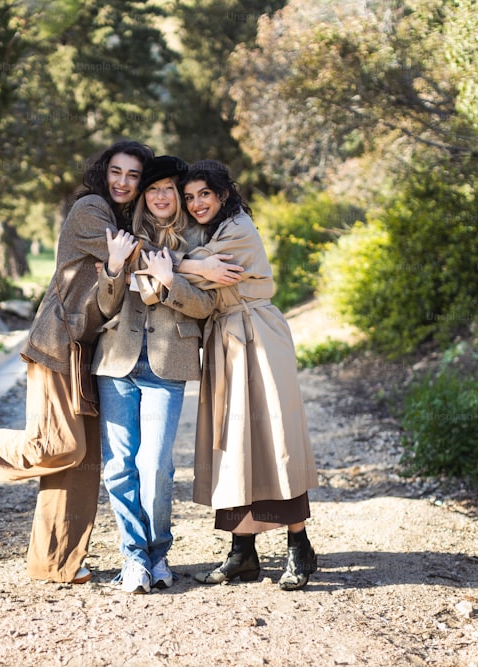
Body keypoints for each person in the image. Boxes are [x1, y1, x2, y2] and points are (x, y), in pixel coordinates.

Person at [0, 140, 154, 584]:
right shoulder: (91, 210)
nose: (123, 182)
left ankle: (56, 562)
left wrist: (120, 269)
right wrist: (195, 264)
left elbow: (112, 290)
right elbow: (137, 258)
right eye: (117, 171)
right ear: (104, 172)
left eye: (134, 176)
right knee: (59, 446)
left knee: (83, 463)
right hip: (57, 345)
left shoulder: (121, 220)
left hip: (90, 352)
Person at [140, 159, 320, 590]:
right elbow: (181, 267)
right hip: (224, 339)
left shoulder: (238, 228)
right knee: (231, 443)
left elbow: (168, 264)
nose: (196, 203)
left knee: (276, 438)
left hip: (258, 336)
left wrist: (185, 266)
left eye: (205, 194)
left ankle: (300, 547)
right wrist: (196, 268)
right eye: (189, 197)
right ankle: (243, 553)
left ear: (222, 195)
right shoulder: (206, 233)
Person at [93, 156, 215, 594]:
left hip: (168, 363)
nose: (161, 196)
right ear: (144, 196)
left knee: (156, 464)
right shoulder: (124, 236)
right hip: (117, 362)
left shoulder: (201, 238)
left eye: (168, 189)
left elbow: (207, 307)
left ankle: (159, 552)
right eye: (153, 189)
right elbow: (104, 306)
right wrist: (112, 267)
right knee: (119, 467)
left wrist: (171, 280)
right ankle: (134, 559)